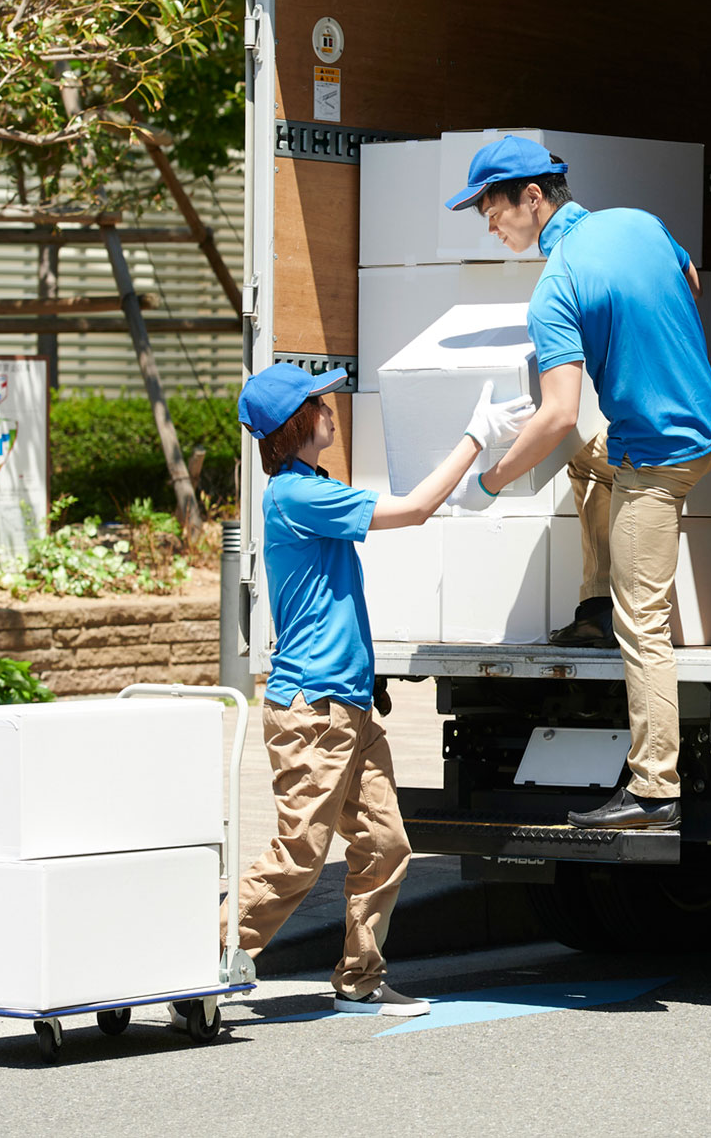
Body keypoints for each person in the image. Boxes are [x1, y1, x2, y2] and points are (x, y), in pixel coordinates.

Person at [228, 360, 534, 1014]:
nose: (333, 407)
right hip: (313, 710)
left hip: (348, 706)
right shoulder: (296, 495)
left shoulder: (309, 484)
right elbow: (417, 508)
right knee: (301, 852)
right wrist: (477, 435)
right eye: (321, 401)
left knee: (387, 842)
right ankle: (203, 949)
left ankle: (361, 976)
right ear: (294, 421)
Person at [446, 135, 711, 832]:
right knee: (583, 458)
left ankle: (655, 791)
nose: (490, 224)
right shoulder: (640, 222)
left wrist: (490, 479)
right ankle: (591, 606)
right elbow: (689, 278)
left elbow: (557, 413)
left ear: (532, 198)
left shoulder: (555, 287)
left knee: (645, 625)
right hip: (701, 424)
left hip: (657, 462)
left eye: (492, 209)